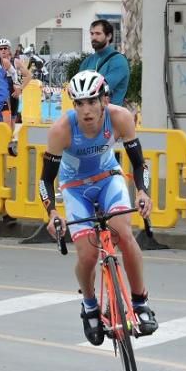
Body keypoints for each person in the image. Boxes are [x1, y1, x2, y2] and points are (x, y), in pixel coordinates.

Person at [41, 70, 158, 344]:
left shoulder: (120, 118)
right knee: (88, 254)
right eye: (79, 103)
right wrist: (52, 213)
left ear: (104, 100)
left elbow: (139, 163)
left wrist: (142, 191)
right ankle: (90, 306)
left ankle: (140, 303)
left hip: (109, 179)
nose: (86, 110)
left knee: (124, 234)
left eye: (92, 101)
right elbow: (46, 179)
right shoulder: (61, 130)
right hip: (74, 187)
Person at [79, 19, 131, 106]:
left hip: (110, 116)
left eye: (98, 34)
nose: (94, 37)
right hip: (88, 116)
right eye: (92, 34)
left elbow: (101, 89)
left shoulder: (118, 61)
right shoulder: (87, 61)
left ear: (109, 36)